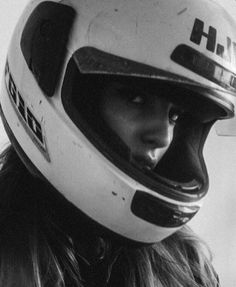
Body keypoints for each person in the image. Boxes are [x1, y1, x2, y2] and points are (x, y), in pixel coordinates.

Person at [0, 0, 235, 286]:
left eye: (175, 115)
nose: (163, 137)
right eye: (136, 98)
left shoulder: (186, 265)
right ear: (45, 66)